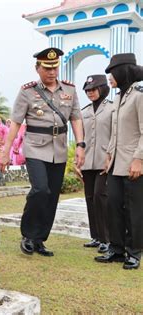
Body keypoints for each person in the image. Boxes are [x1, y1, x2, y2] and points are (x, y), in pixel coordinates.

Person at [0, 47, 85, 257]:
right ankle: (28, 234)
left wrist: (81, 145)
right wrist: (6, 150)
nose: (51, 72)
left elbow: (76, 118)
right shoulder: (27, 91)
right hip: (35, 147)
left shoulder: (69, 90)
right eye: (47, 68)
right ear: (38, 69)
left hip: (60, 149)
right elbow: (16, 122)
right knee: (40, 190)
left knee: (52, 196)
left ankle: (39, 240)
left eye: (54, 67)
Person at [95, 53, 143, 270]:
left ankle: (133, 252)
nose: (109, 78)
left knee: (134, 209)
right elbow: (116, 131)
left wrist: (139, 159)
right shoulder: (118, 96)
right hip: (116, 162)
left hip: (134, 162)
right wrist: (108, 156)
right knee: (113, 204)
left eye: (112, 73)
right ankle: (116, 248)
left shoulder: (139, 95)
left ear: (123, 71)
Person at [75, 75, 112, 254]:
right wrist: (77, 161)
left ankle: (107, 238)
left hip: (106, 161)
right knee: (90, 198)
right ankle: (96, 236)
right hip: (88, 162)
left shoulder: (112, 109)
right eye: (87, 90)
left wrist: (112, 156)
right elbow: (80, 138)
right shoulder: (84, 112)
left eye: (93, 89)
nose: (90, 93)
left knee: (100, 197)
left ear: (103, 88)